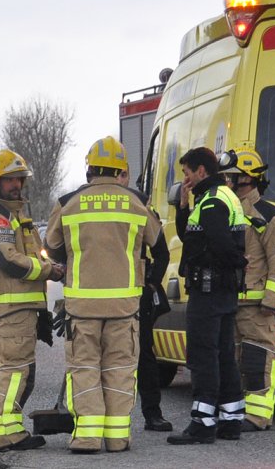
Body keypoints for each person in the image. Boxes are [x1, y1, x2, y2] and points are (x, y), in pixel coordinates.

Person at [44, 136, 167, 454]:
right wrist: (149, 282)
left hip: (81, 306)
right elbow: (160, 248)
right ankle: (116, 437)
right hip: (125, 306)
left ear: (90, 168)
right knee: (120, 369)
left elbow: (54, 248)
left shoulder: (68, 201)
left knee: (84, 368)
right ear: (120, 170)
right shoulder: (136, 201)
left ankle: (86, 436)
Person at [0, 149, 64, 452]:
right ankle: (6, 434)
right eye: (9, 179)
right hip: (9, 309)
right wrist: (50, 270)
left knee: (16, 371)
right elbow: (8, 260)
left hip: (20, 308)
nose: (16, 185)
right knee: (14, 371)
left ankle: (4, 430)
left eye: (19, 179)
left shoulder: (14, 215)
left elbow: (32, 254)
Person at [167, 147, 248, 445]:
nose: (185, 179)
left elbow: (220, 243)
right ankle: (231, 420)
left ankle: (202, 424)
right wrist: (184, 207)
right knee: (224, 354)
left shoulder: (213, 201)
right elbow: (192, 236)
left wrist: (237, 263)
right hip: (223, 291)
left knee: (203, 356)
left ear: (202, 171)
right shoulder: (224, 196)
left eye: (187, 173)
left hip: (209, 290)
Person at [219, 148, 275, 432]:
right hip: (231, 303)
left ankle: (258, 415)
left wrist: (271, 301)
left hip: (257, 306)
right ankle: (237, 412)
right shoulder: (229, 212)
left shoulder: (268, 216)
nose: (228, 182)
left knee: (256, 359)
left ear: (247, 180)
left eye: (232, 177)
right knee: (233, 360)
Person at [117, 168, 173, 432]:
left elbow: (161, 252)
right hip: (103, 295)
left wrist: (151, 282)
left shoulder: (139, 205)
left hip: (136, 294)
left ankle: (152, 413)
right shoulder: (86, 203)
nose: (118, 181)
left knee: (144, 355)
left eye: (121, 175)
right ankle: (106, 418)